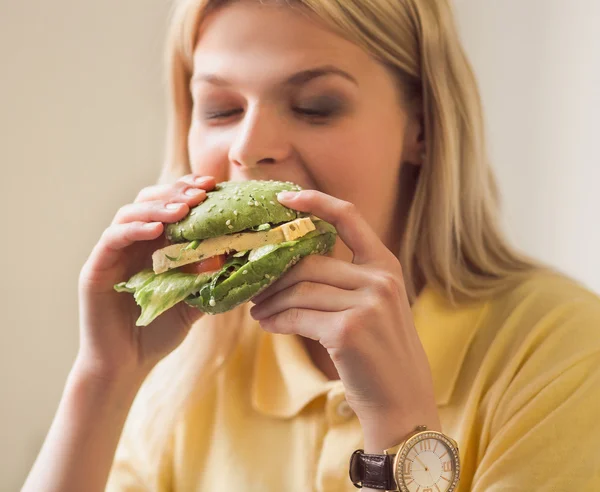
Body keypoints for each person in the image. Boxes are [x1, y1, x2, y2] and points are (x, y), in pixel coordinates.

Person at [22, 0, 600, 491]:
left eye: (314, 107)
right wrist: (104, 376)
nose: (249, 147)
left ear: (420, 127)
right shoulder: (191, 369)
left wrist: (401, 434)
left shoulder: (564, 354)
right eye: (221, 109)